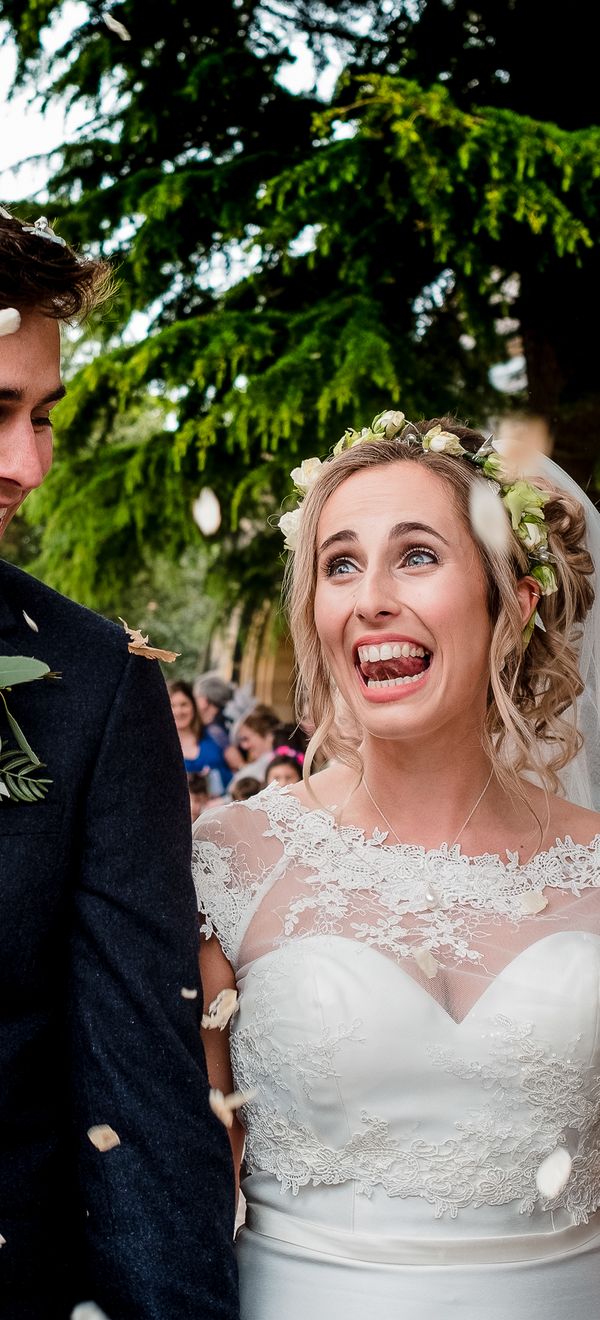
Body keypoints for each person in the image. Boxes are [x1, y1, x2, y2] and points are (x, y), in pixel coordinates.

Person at [193, 407, 600, 1320]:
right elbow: (184, 1192)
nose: (369, 597)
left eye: (416, 555)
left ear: (515, 603)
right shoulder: (231, 859)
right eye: (340, 565)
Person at [0, 210, 238, 1319]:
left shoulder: (93, 684)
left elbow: (139, 1096)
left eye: (43, 417)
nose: (29, 465)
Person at [169, 678, 232, 793]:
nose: (179, 711)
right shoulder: (160, 747)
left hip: (226, 801)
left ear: (193, 705)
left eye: (184, 704)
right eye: (172, 706)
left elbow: (239, 768)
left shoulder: (215, 734)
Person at [194, 671, 244, 774]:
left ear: (204, 700)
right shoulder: (227, 719)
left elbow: (238, 764)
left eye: (196, 697)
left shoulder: (216, 729)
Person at [231, 704, 280, 787]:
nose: (244, 746)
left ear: (268, 735)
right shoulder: (253, 767)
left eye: (246, 739)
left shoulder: (277, 766)